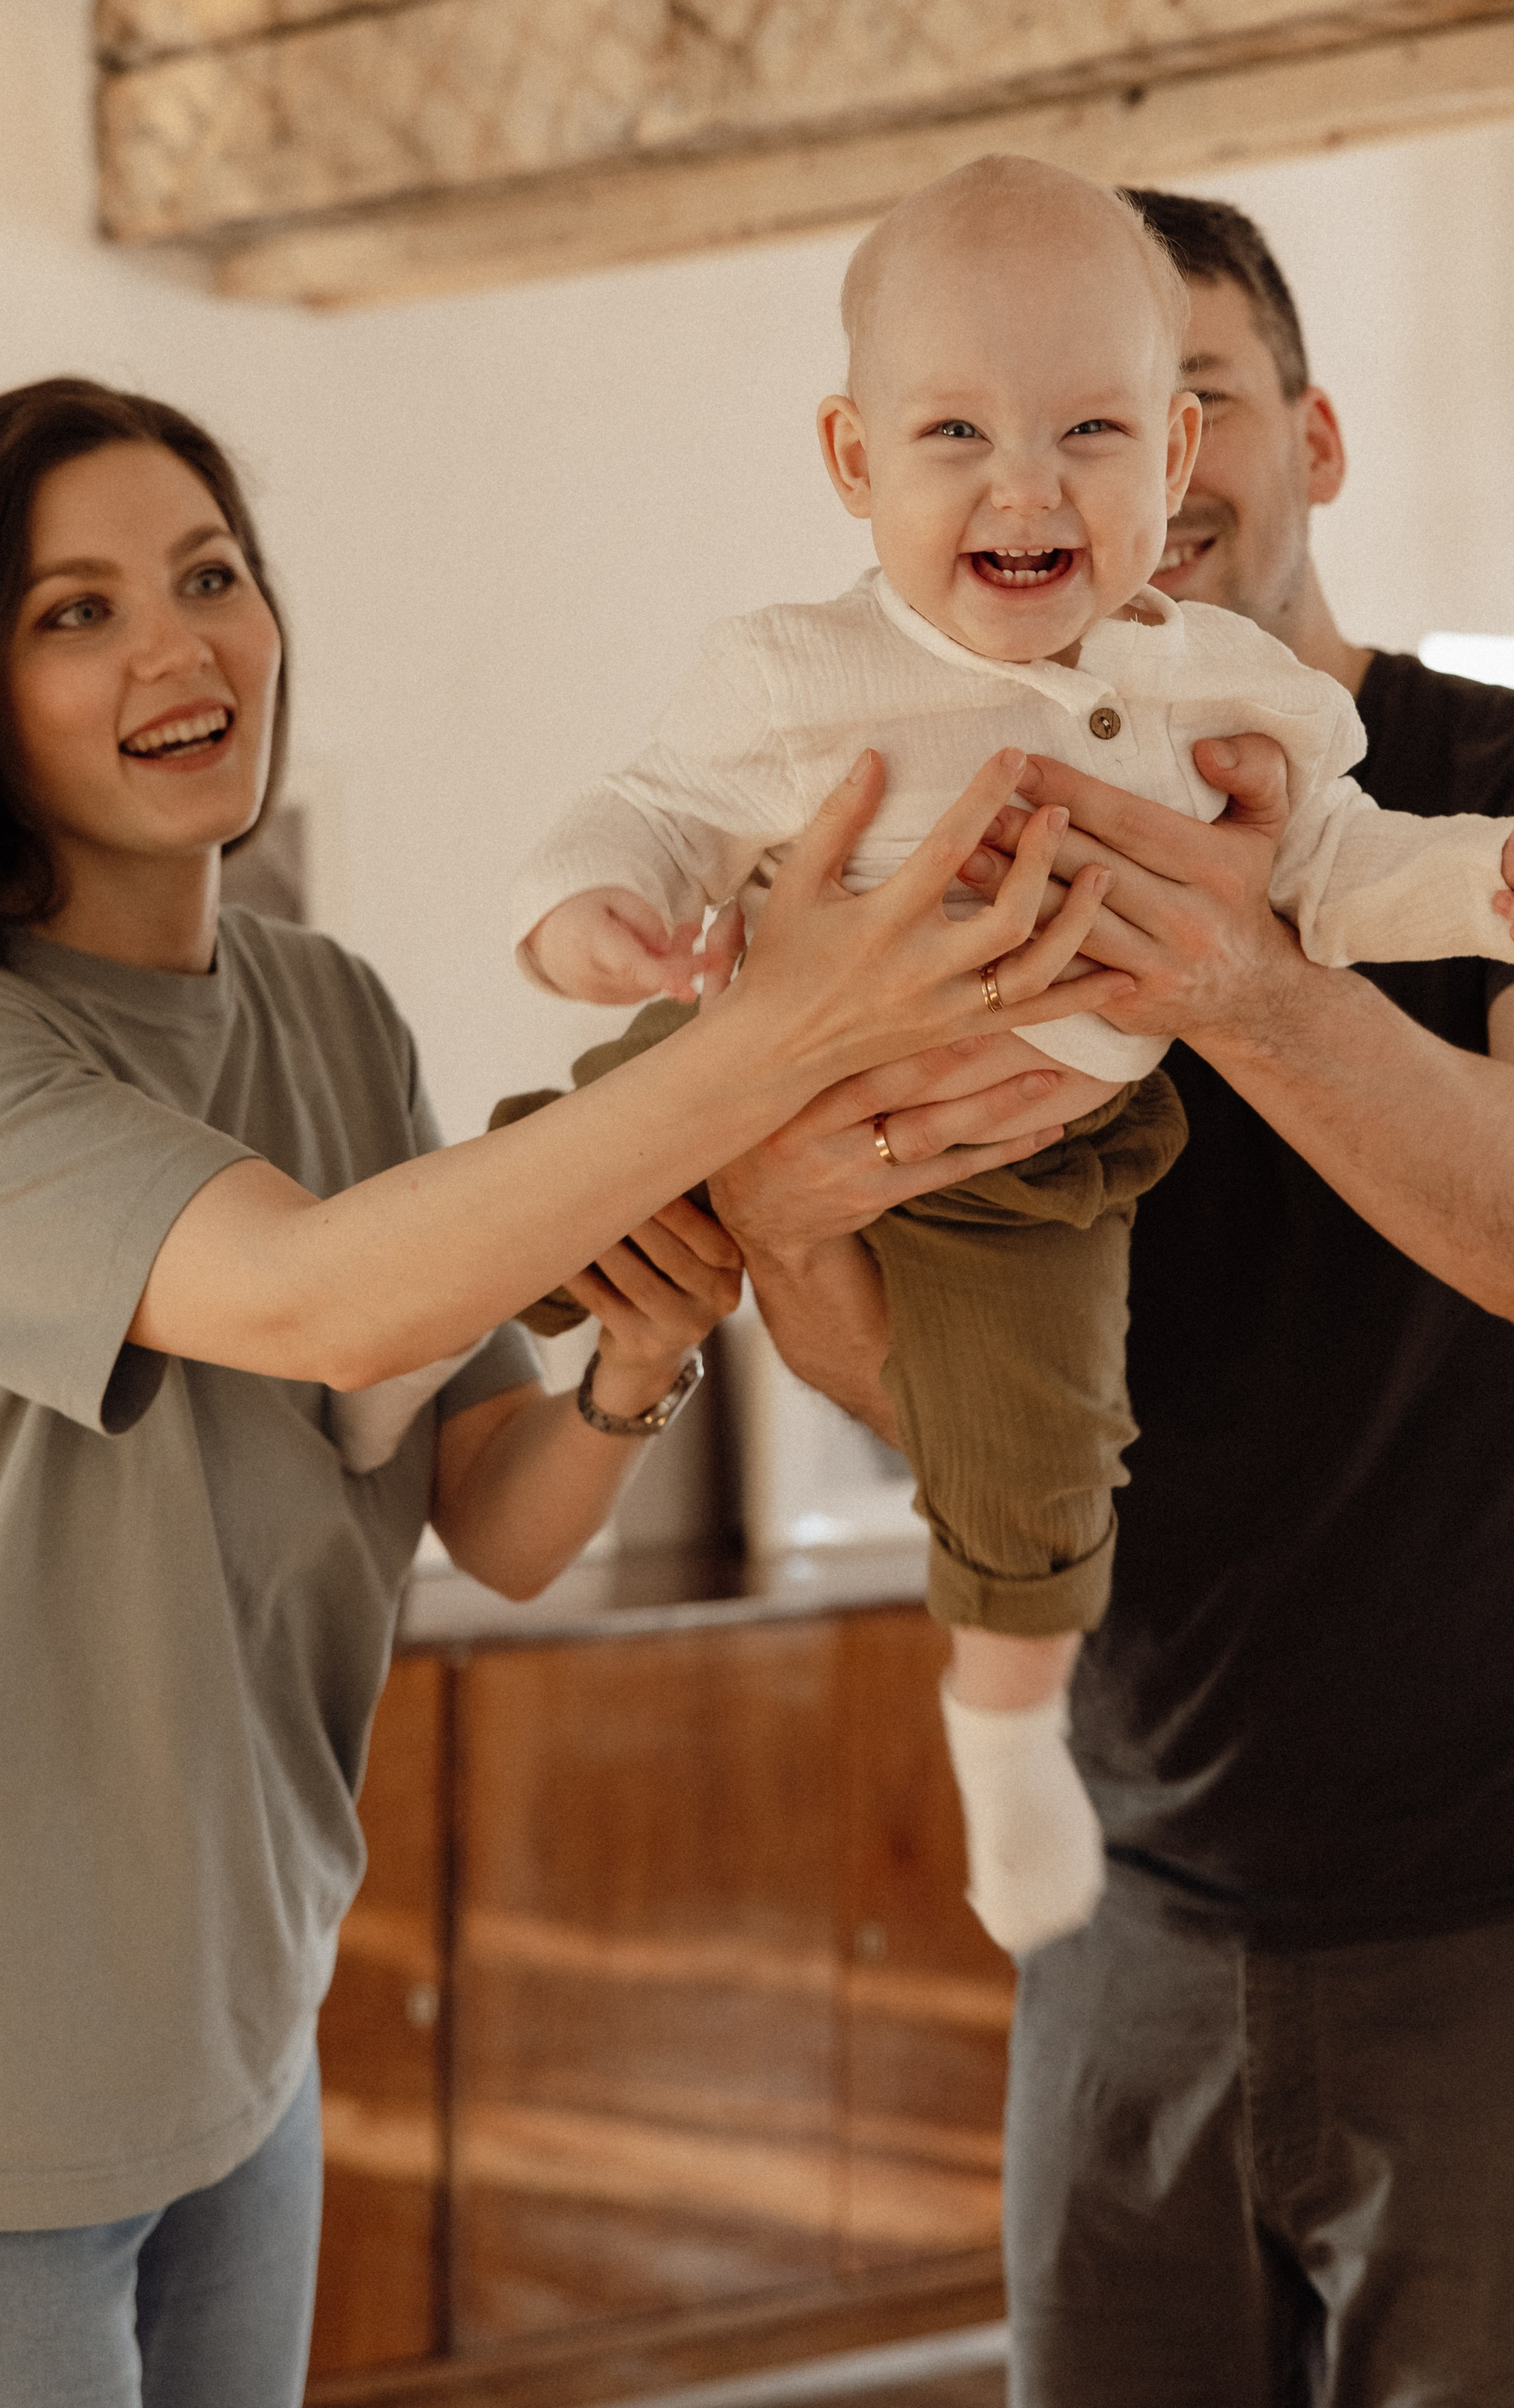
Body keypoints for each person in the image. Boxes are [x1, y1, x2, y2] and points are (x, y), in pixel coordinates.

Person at [701, 194, 1514, 2403]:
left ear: (1293, 440)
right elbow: (935, 1390)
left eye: (1156, 407)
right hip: (1130, 1917)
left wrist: (1240, 979)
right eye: (1001, 424)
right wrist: (777, 1215)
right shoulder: (954, 844)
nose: (1078, 475)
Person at [0, 379, 1108, 2407]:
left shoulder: (327, 1008)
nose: (175, 648)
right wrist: (785, 1028)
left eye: (210, 576)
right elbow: (326, 1302)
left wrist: (637, 1361)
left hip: (243, 2046)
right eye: (75, 611)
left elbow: (492, 1522)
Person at [505, 155, 1514, 1964]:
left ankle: (1004, 1736)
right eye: (956, 433)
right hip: (743, 1075)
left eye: (1090, 430)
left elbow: (1331, 864)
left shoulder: (1216, 691)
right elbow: (648, 812)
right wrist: (589, 919)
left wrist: (1481, 882)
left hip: (1029, 1159)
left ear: (1172, 457)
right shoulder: (795, 675)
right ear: (853, 462)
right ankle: (387, 1366)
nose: (1026, 485)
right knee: (530, 1188)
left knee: (1041, 1461)